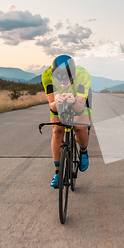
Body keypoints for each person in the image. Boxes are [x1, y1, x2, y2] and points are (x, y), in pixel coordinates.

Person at [42, 55, 92, 188]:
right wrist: (57, 102)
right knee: (57, 130)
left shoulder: (83, 76)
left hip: (78, 99)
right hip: (58, 100)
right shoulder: (47, 76)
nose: (63, 84)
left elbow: (80, 107)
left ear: (73, 75)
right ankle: (58, 173)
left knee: (79, 128)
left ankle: (83, 151)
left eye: (67, 80)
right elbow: (51, 105)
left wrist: (73, 101)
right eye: (59, 80)